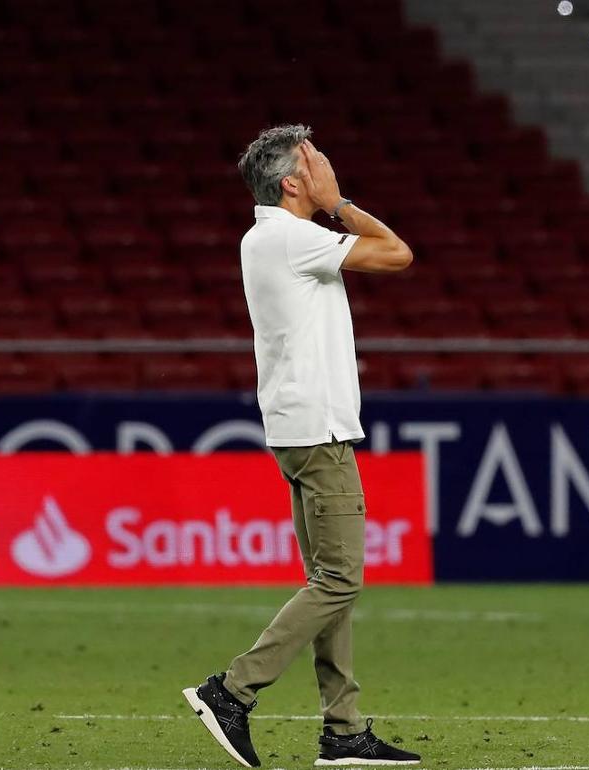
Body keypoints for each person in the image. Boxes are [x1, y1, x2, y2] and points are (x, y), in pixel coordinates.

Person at [182, 125, 419, 768]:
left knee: (327, 580)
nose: (326, 173)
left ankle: (342, 731)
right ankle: (231, 691)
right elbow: (397, 254)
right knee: (341, 580)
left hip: (297, 426)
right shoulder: (294, 237)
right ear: (293, 182)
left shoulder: (265, 237)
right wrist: (339, 203)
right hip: (320, 428)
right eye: (316, 166)